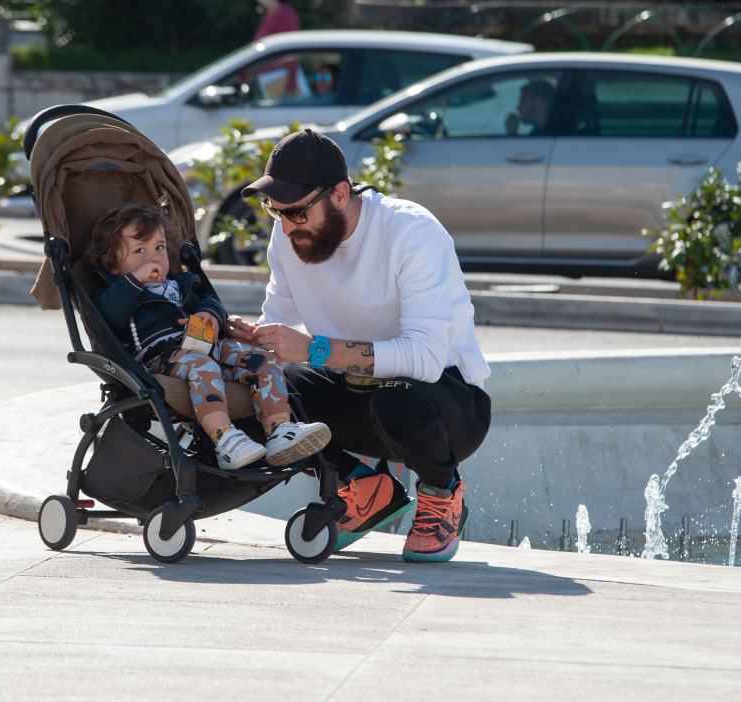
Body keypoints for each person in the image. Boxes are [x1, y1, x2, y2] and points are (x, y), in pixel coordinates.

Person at [227, 129, 492, 562]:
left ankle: (442, 491)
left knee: (398, 398)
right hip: (354, 396)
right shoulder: (289, 234)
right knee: (251, 387)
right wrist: (251, 337)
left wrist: (315, 350)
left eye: (295, 212)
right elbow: (277, 322)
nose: (287, 226)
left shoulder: (412, 231)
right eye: (275, 212)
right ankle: (363, 486)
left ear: (339, 194)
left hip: (443, 406)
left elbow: (424, 359)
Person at [86, 202, 330, 471]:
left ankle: (280, 429)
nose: (153, 258)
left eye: (159, 248)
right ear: (112, 265)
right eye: (139, 250)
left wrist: (210, 314)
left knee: (263, 360)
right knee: (203, 366)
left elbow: (211, 301)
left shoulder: (181, 282)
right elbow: (108, 315)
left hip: (207, 345)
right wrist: (134, 281)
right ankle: (225, 439)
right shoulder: (116, 293)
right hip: (162, 357)